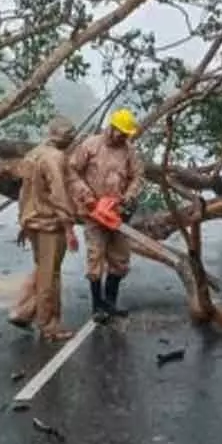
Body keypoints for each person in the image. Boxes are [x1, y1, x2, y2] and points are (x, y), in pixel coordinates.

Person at [8, 116, 81, 342]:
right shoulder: (55, 159)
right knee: (51, 276)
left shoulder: (33, 154)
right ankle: (49, 325)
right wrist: (69, 226)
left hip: (32, 221)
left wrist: (23, 221)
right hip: (49, 224)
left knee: (42, 269)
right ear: (67, 138)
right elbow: (59, 195)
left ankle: (23, 311)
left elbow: (24, 193)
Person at [68, 108, 144, 322]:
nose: (123, 137)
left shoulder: (129, 151)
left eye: (126, 134)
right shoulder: (90, 145)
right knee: (96, 257)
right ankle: (97, 307)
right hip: (93, 212)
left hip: (116, 213)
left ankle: (110, 303)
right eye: (121, 132)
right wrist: (86, 195)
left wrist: (128, 197)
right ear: (112, 128)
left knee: (120, 259)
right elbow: (72, 171)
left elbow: (138, 176)